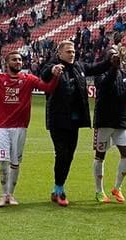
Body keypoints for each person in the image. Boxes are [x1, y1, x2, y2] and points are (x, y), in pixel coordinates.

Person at [0, 51, 59, 207]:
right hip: (2, 128)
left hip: (21, 128)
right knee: (4, 161)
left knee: (15, 163)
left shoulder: (29, 79)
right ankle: (3, 195)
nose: (18, 62)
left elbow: (48, 88)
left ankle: (11, 195)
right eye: (14, 60)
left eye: (20, 60)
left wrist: (56, 75)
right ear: (7, 63)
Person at [84, 45, 126, 204]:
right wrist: (114, 68)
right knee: (100, 155)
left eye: (117, 56)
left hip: (121, 121)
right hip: (104, 121)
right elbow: (105, 85)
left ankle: (117, 188)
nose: (116, 57)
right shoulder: (100, 73)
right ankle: (99, 191)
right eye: (112, 56)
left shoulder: (125, 73)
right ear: (107, 58)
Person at [39, 40, 90, 207]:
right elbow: (44, 74)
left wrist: (112, 58)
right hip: (57, 120)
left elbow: (97, 67)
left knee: (69, 155)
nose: (72, 54)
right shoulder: (53, 66)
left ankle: (57, 188)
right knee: (61, 153)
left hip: (74, 120)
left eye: (73, 51)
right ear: (59, 54)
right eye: (68, 51)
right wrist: (53, 71)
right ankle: (59, 189)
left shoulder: (78, 67)